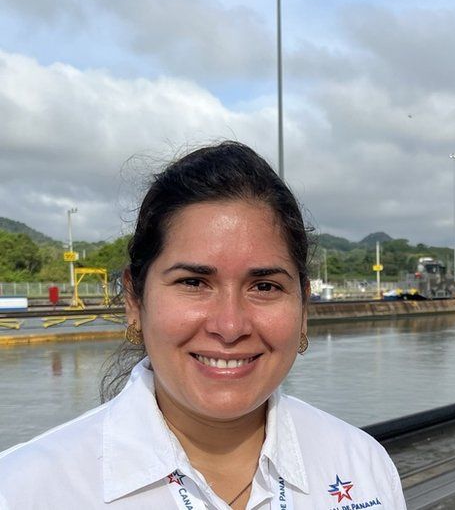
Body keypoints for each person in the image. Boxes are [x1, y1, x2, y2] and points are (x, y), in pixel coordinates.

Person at [0, 142, 406, 509]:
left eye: (264, 285)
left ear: (302, 306)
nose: (230, 325)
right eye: (193, 283)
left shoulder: (362, 465)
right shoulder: (26, 489)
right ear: (134, 300)